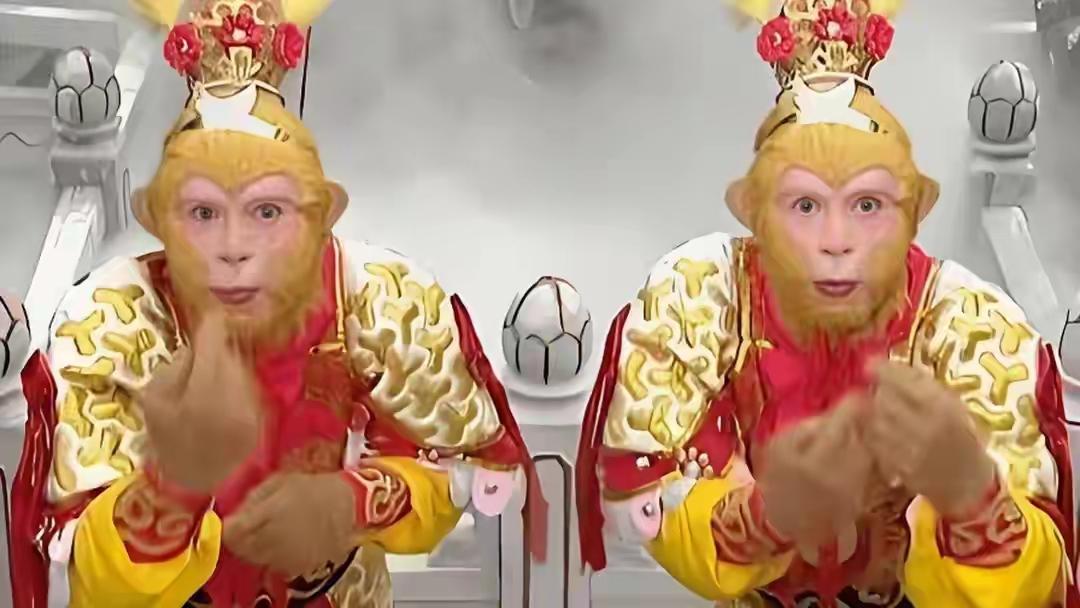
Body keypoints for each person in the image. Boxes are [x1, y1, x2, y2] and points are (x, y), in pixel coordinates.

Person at [10, 1, 545, 605]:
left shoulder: (378, 298)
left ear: (319, 218)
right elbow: (87, 570)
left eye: (267, 211)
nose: (234, 247)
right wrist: (172, 487)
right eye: (202, 213)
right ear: (158, 222)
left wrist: (350, 503)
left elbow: (461, 461)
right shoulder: (113, 323)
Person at [575, 1, 1077, 606]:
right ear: (757, 214)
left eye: (866, 205)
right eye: (805, 205)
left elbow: (1037, 584)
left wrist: (974, 498)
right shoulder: (704, 297)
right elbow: (650, 495)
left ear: (911, 214)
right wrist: (768, 516)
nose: (836, 240)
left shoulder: (972, 327)